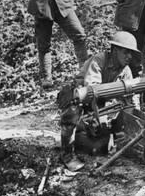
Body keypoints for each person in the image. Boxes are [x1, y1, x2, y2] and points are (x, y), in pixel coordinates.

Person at [58, 31, 140, 171]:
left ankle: (115, 144)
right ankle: (67, 154)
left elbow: (131, 99)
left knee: (124, 112)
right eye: (126, 52)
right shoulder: (99, 60)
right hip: (81, 96)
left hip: (102, 102)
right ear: (114, 50)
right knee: (73, 109)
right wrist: (101, 114)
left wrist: (135, 119)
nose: (129, 57)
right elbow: (92, 90)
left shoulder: (126, 70)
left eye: (131, 53)